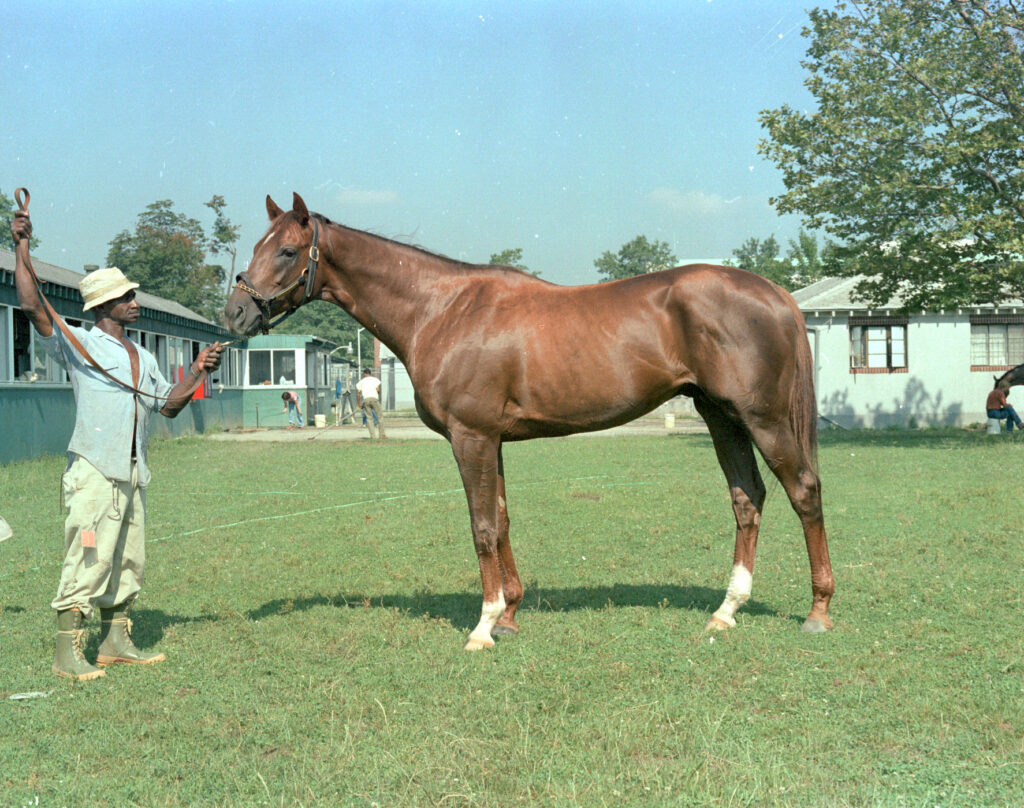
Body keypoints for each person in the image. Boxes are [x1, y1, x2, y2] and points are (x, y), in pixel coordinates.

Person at [11, 209, 224, 682]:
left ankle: (114, 642)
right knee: (88, 557)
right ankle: (67, 654)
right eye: (125, 296)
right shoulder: (77, 342)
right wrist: (22, 245)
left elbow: (166, 407)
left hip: (132, 472)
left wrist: (196, 372)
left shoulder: (141, 355)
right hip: (92, 472)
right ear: (103, 306)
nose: (134, 301)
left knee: (128, 560)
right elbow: (29, 305)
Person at [356, 367, 386, 439]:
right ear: (370, 373)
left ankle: (373, 436)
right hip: (374, 399)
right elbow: (378, 390)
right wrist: (377, 394)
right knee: (380, 417)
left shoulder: (361, 382)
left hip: (366, 400)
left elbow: (358, 394)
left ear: (365, 374)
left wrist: (359, 404)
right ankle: (382, 435)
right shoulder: (375, 380)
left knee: (369, 418)